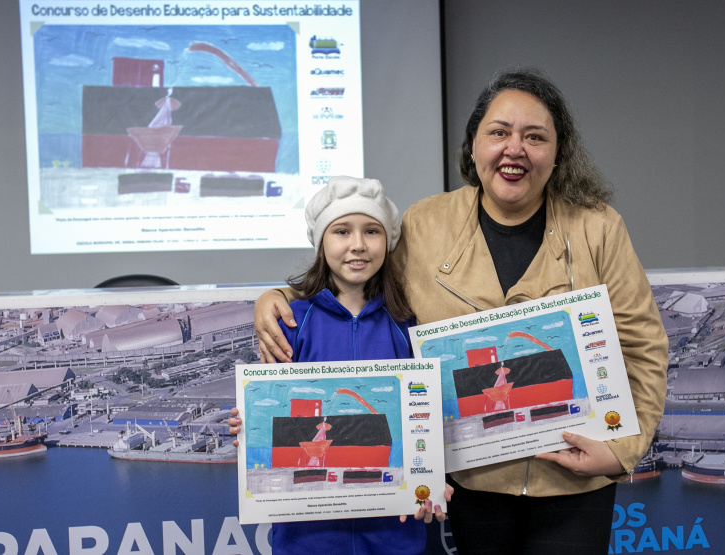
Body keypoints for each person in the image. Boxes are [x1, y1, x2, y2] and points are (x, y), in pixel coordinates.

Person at [253, 68, 668, 554]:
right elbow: (358, 274)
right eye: (499, 133)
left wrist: (620, 452)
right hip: (475, 481)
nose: (515, 149)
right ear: (473, 146)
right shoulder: (426, 223)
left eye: (535, 137)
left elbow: (642, 346)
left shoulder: (599, 227)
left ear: (558, 155)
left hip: (574, 480)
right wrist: (278, 297)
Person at [230, 175, 451, 555]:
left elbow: (427, 417)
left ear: (388, 242)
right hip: (308, 536)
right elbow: (269, 407)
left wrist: (431, 476)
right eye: (341, 231)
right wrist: (247, 424)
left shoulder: (408, 325)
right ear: (321, 243)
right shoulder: (291, 322)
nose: (358, 245)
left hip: (392, 534)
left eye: (371, 231)